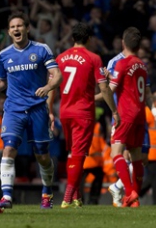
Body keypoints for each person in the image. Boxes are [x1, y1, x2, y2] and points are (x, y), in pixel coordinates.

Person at [0, 11, 62, 212]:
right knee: (8, 148)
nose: (16, 29)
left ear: (27, 28)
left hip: (37, 109)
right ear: (9, 31)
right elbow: (1, 83)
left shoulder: (41, 50)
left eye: (20, 26)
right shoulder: (4, 55)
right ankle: (6, 196)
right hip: (13, 109)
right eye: (13, 27)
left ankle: (47, 191)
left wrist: (48, 87)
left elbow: (56, 75)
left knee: (41, 154)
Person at [48, 23, 119, 208]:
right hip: (83, 112)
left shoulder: (60, 58)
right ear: (89, 39)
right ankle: (67, 196)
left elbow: (52, 87)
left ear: (73, 38)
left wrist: (49, 111)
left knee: (73, 154)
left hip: (65, 112)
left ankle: (77, 197)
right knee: (79, 155)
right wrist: (114, 110)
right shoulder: (94, 58)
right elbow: (103, 88)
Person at [109, 27, 156, 207]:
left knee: (115, 153)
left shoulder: (121, 64)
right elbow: (147, 93)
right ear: (139, 47)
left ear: (123, 43)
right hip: (140, 116)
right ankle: (134, 198)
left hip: (125, 115)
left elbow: (111, 90)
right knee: (136, 156)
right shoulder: (142, 65)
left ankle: (130, 193)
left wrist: (102, 86)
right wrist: (154, 112)